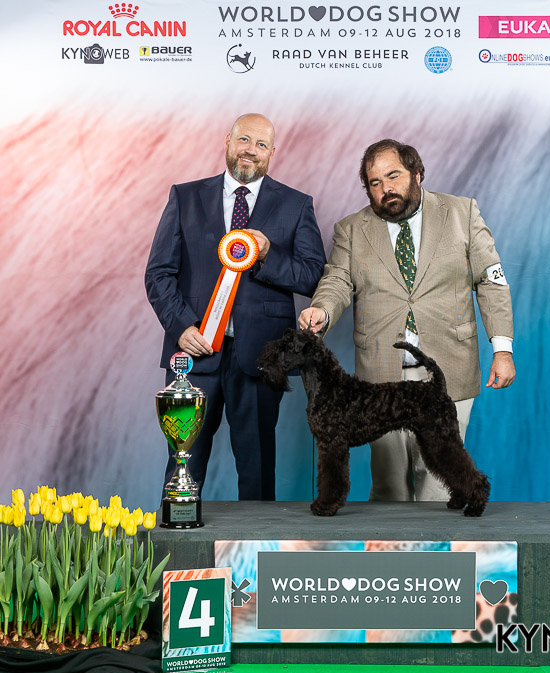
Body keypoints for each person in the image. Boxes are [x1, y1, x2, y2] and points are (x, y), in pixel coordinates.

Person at [299, 139, 514, 502]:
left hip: (449, 366)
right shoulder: (351, 229)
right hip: (380, 375)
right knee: (389, 488)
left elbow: (491, 281)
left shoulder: (462, 213)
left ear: (417, 173)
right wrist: (322, 309)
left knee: (438, 486)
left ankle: (440, 537)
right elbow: (337, 280)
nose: (386, 188)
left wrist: (503, 349)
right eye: (375, 182)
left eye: (393, 176)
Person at [145, 113, 326, 500]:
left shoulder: (296, 205)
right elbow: (159, 273)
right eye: (244, 140)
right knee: (183, 463)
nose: (251, 150)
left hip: (262, 357)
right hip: (194, 354)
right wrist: (181, 326)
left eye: (261, 144)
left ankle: (256, 541)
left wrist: (267, 254)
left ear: (272, 152)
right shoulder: (185, 197)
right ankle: (177, 534)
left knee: (257, 470)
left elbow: (313, 276)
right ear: (227, 140)